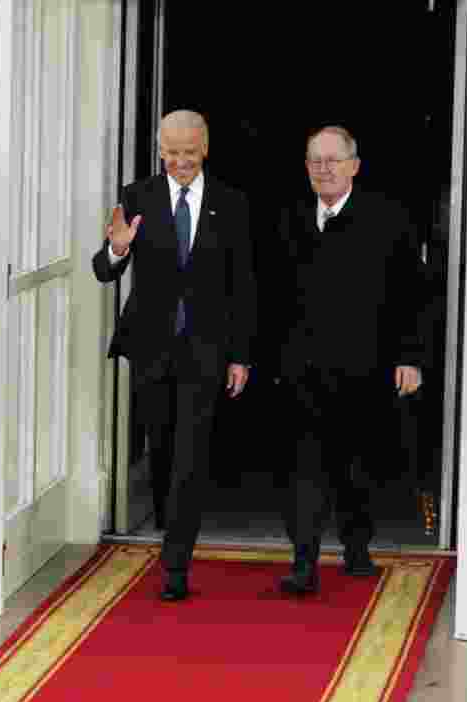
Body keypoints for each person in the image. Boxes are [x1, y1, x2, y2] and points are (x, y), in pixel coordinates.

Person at [93, 110, 254, 601]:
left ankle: (176, 563)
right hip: (151, 348)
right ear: (160, 149)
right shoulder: (137, 196)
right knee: (161, 447)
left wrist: (240, 356)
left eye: (189, 152)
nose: (180, 161)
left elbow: (243, 284)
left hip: (206, 349)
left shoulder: (231, 203)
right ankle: (169, 522)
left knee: (190, 453)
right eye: (171, 152)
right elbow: (103, 269)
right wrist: (118, 249)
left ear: (205, 148)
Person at [274, 125, 427, 594]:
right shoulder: (288, 219)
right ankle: (303, 562)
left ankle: (357, 548)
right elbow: (269, 294)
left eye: (333, 160)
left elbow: (415, 296)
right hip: (302, 371)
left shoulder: (389, 219)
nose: (323, 168)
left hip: (366, 368)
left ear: (354, 166)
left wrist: (410, 357)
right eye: (315, 160)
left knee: (355, 468)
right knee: (303, 467)